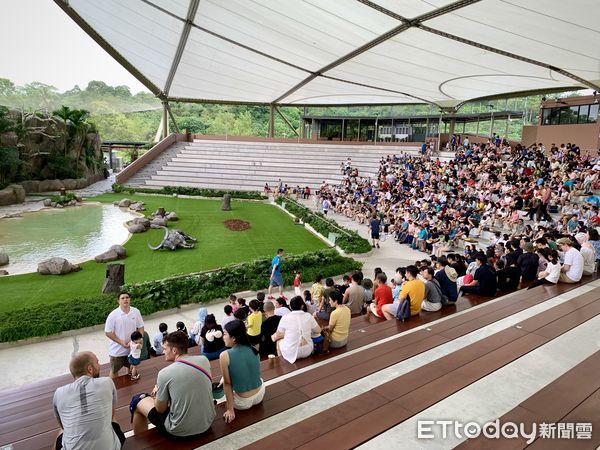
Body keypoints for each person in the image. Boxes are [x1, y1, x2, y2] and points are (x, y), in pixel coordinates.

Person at [132, 331, 215, 438]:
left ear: (174, 350)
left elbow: (160, 409)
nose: (163, 352)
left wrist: (158, 392)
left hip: (179, 430)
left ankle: (138, 442)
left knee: (137, 401)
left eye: (165, 349)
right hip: (206, 423)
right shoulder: (204, 361)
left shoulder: (165, 373)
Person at [53, 352, 125, 450]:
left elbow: (62, 426)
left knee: (62, 430)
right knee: (111, 418)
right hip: (110, 447)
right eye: (97, 363)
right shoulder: (106, 382)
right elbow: (111, 416)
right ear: (90, 369)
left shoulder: (59, 393)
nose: (99, 365)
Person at [219, 320, 265, 423]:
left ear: (234, 338)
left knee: (224, 387)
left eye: (225, 334)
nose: (223, 337)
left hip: (242, 403)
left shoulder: (224, 355)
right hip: (260, 394)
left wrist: (230, 409)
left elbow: (227, 384)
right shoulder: (254, 349)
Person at [104, 292, 144, 378]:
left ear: (130, 299)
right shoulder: (113, 315)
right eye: (122, 298)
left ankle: (130, 387)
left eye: (127, 297)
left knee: (131, 368)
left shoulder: (136, 312)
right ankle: (113, 389)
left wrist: (139, 340)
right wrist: (121, 342)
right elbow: (108, 332)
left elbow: (140, 327)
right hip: (117, 351)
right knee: (114, 371)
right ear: (118, 301)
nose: (125, 299)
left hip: (131, 349)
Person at [272, 296, 321, 364]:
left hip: (291, 353)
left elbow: (278, 334)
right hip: (308, 350)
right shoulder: (309, 316)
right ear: (302, 306)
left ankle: (282, 363)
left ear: (290, 307)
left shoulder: (285, 318)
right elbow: (318, 330)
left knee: (278, 341)